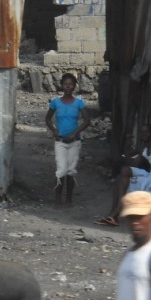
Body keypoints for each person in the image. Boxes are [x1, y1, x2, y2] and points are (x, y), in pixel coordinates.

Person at [97, 124, 151, 226]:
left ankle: (115, 213)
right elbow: (131, 166)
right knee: (122, 175)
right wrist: (127, 146)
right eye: (142, 132)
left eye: (147, 132)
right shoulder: (145, 149)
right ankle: (113, 215)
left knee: (121, 180)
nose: (144, 134)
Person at [45, 73, 91, 208]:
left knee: (71, 171)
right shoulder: (55, 102)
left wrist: (75, 133)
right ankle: (57, 200)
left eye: (70, 84)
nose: (68, 86)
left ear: (75, 86)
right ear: (61, 86)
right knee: (61, 170)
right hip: (60, 142)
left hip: (75, 142)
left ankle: (69, 200)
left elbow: (87, 120)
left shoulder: (79, 103)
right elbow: (48, 118)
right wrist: (54, 130)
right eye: (65, 84)